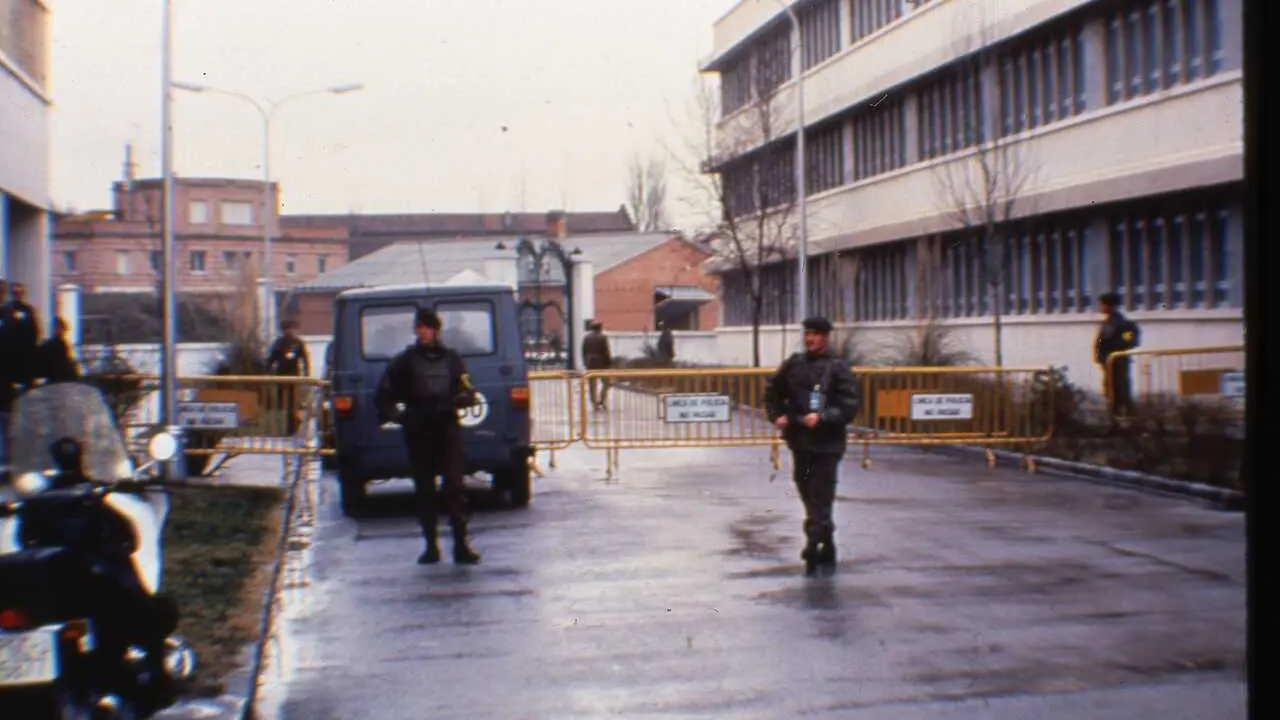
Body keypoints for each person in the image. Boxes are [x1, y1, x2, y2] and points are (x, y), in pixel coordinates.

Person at [374, 308, 482, 565]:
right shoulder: (405, 361)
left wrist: (461, 400)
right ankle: (431, 546)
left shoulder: (452, 359)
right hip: (418, 430)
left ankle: (460, 545)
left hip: (446, 429)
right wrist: (398, 415)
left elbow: (468, 389)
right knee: (424, 489)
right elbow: (383, 394)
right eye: (419, 327)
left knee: (455, 487)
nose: (422, 332)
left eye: (427, 327)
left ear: (436, 330)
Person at [766, 316, 860, 576]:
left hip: (827, 444)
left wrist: (823, 417)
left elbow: (849, 406)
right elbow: (772, 391)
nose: (810, 339)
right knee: (808, 493)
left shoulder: (837, 368)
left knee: (821, 494)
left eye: (816, 334)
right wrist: (777, 415)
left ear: (826, 337)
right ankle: (826, 540)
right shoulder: (794, 365)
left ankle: (811, 544)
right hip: (800, 441)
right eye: (808, 334)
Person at [1095, 292, 1140, 420]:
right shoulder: (1106, 323)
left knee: (1121, 388)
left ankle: (1126, 415)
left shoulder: (1123, 324)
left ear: (1111, 306)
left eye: (1103, 305)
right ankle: (1114, 415)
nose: (1101, 308)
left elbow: (1128, 340)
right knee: (1109, 389)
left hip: (1118, 361)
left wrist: (1113, 348)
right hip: (1107, 362)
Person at [267, 318, 311, 436]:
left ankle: (293, 428)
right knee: (282, 404)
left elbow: (305, 359)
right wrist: (268, 374)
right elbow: (271, 360)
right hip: (280, 376)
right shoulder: (279, 343)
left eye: (291, 329)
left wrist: (307, 375)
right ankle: (282, 428)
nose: (289, 332)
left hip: (294, 377)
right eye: (286, 329)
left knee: (293, 404)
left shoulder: (298, 343)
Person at [4, 281, 40, 389]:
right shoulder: (6, 310)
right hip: (9, 355)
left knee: (27, 384)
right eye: (15, 292)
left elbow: (34, 331)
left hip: (25, 355)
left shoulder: (28, 310)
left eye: (19, 292)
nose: (17, 295)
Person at [38, 317, 80, 384]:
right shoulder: (58, 344)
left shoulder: (52, 343)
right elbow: (65, 360)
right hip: (60, 376)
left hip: (57, 376)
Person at [581, 320, 613, 410]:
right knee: (606, 382)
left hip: (590, 363)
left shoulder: (586, 338)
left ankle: (594, 403)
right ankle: (602, 400)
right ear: (600, 328)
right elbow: (606, 351)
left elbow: (583, 351)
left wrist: (585, 362)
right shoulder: (603, 337)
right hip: (602, 363)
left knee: (592, 385)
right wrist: (609, 362)